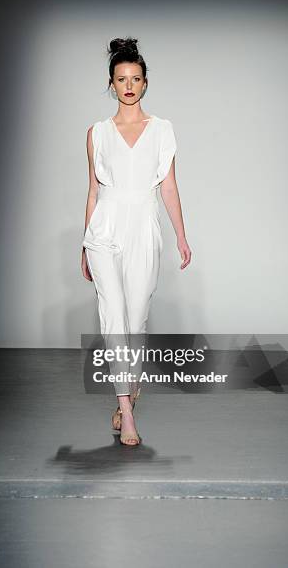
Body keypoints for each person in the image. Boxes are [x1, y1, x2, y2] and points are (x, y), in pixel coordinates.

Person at [81, 37, 192, 445]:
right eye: (121, 79)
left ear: (145, 84)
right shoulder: (96, 133)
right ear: (111, 84)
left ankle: (130, 388)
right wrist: (83, 242)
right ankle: (126, 412)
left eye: (135, 78)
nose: (128, 85)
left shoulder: (162, 130)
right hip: (104, 229)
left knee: (137, 320)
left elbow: (168, 187)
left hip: (144, 225)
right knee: (113, 319)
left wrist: (181, 234)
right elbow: (93, 190)